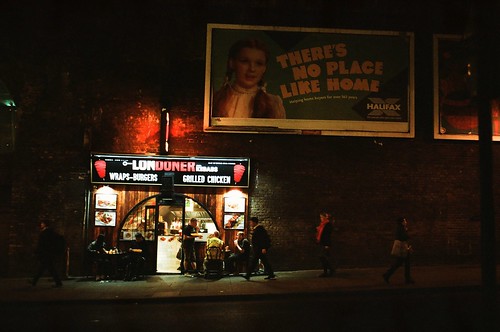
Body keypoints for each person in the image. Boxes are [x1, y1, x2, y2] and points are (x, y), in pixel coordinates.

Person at [212, 38, 286, 119]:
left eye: (259, 63)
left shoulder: (274, 103)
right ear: (232, 63)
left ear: (264, 68)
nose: (252, 69)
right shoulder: (214, 99)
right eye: (245, 61)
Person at [383, 217, 415, 284]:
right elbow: (404, 237)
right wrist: (406, 232)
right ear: (402, 222)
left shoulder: (399, 228)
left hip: (403, 248)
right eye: (405, 221)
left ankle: (387, 275)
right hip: (402, 249)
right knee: (402, 264)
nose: (406, 222)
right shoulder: (401, 229)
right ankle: (387, 275)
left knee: (400, 263)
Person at [32, 221, 63, 287]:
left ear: (45, 224)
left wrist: (38, 251)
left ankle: (34, 281)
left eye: (42, 223)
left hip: (46, 253)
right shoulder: (51, 232)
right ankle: (34, 281)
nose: (41, 225)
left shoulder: (45, 233)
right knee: (47, 268)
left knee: (45, 268)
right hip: (49, 253)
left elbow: (42, 244)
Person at [316, 212, 335, 277]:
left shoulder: (327, 225)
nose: (320, 218)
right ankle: (328, 271)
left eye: (321, 217)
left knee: (324, 257)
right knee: (323, 257)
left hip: (325, 244)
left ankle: (329, 270)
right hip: (322, 243)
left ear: (325, 217)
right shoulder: (322, 225)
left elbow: (327, 235)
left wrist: (327, 245)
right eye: (320, 217)